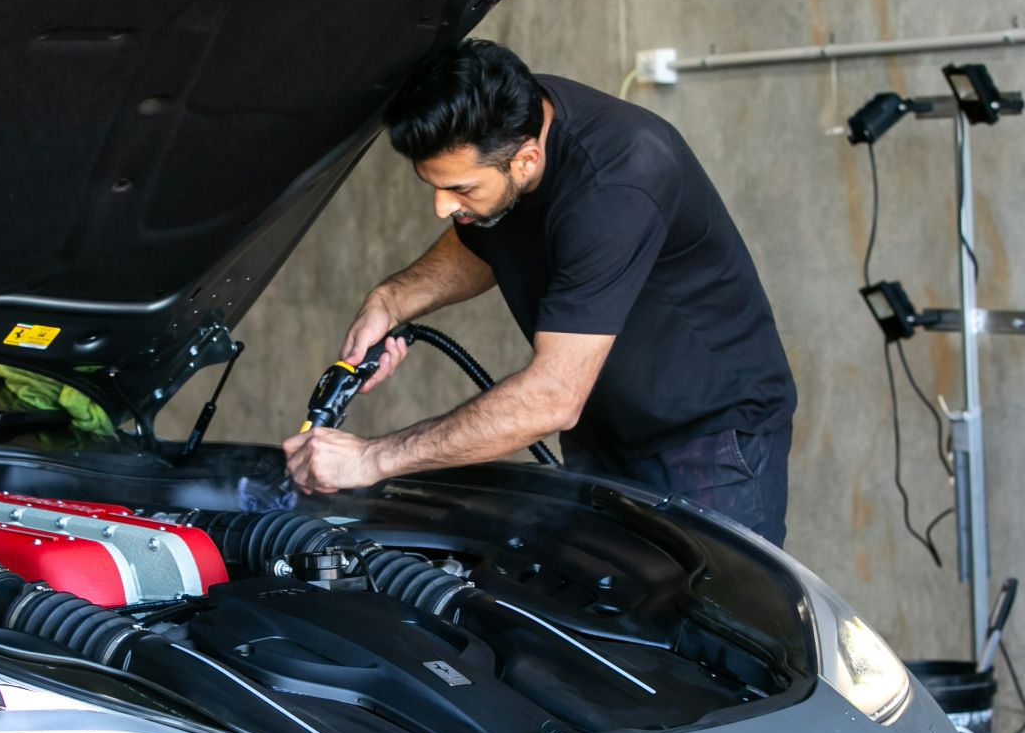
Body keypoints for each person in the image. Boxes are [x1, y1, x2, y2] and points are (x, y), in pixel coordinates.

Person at [281, 39, 797, 544]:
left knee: (706, 628)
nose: (442, 207)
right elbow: (484, 237)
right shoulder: (513, 120)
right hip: (604, 429)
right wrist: (391, 299)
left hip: (712, 442)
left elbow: (551, 398)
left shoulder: (617, 185)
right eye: (434, 186)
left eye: (459, 188)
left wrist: (371, 459)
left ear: (526, 160)